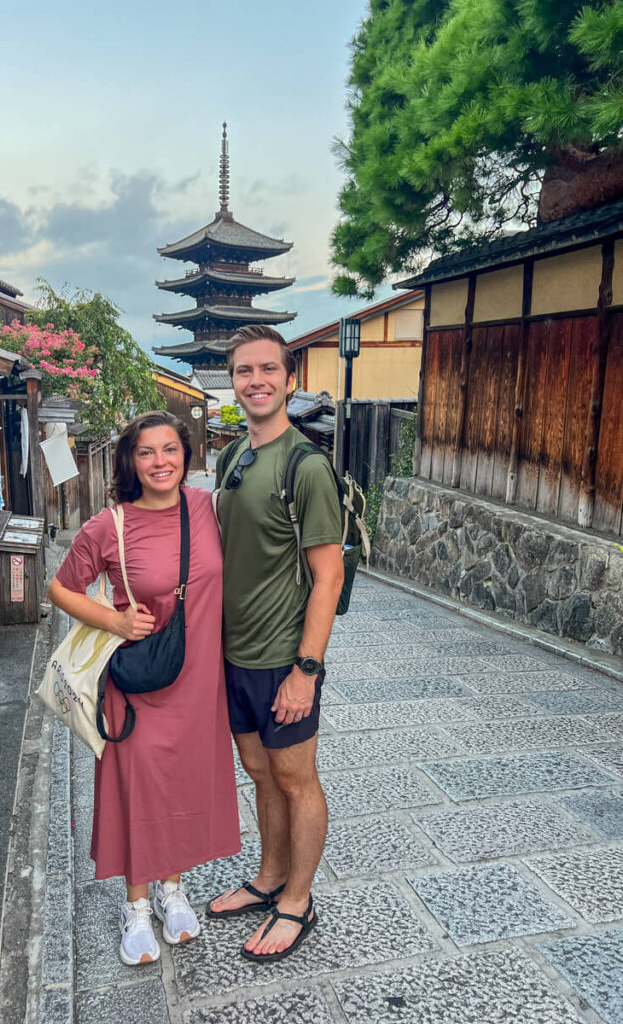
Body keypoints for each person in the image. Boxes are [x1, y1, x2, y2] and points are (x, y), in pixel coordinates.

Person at [48, 411, 241, 967]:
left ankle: (171, 888)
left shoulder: (206, 509)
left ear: (187, 453)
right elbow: (61, 588)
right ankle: (135, 904)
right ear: (130, 461)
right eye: (147, 452)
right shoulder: (110, 525)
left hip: (198, 679)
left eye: (171, 450)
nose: (161, 462)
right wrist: (112, 622)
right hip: (137, 682)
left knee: (180, 782)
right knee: (138, 785)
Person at [208, 325, 343, 963]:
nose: (256, 381)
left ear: (289, 379)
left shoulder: (306, 465)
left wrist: (306, 670)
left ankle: (299, 899)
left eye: (268, 369)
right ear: (231, 382)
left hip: (282, 657)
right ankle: (268, 877)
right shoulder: (232, 457)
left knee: (295, 779)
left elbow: (328, 575)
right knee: (259, 773)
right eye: (243, 371)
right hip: (233, 655)